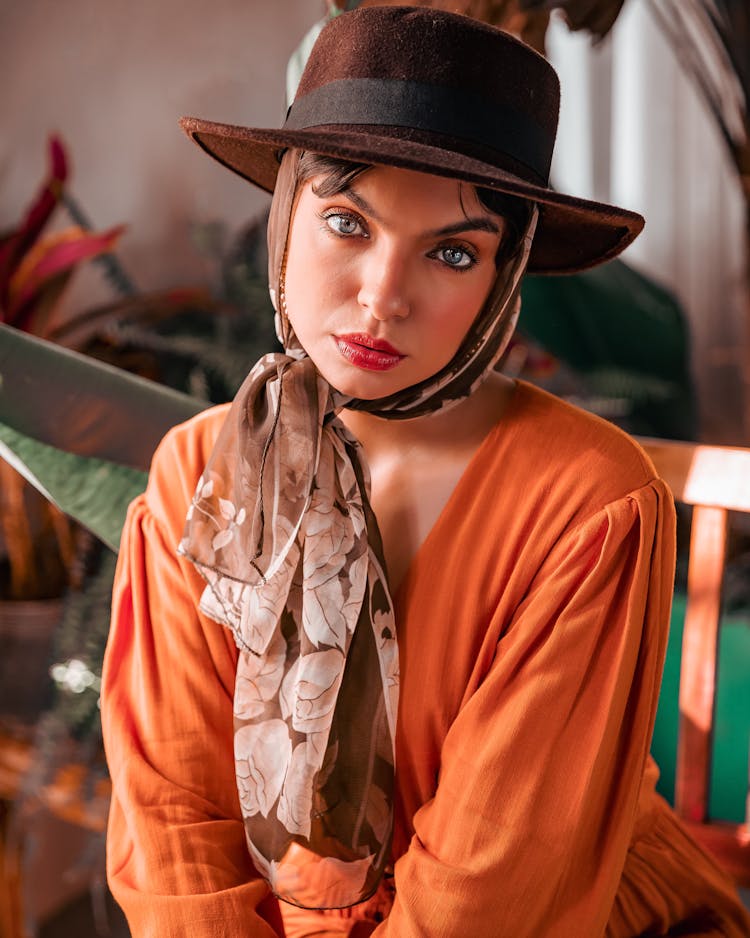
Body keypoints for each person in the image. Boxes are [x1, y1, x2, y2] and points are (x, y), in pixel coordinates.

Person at [101, 6, 750, 936]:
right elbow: (173, 832)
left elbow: (493, 888)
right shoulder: (197, 473)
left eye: (451, 252)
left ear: (505, 272)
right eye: (345, 221)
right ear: (286, 217)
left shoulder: (589, 502)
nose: (382, 298)